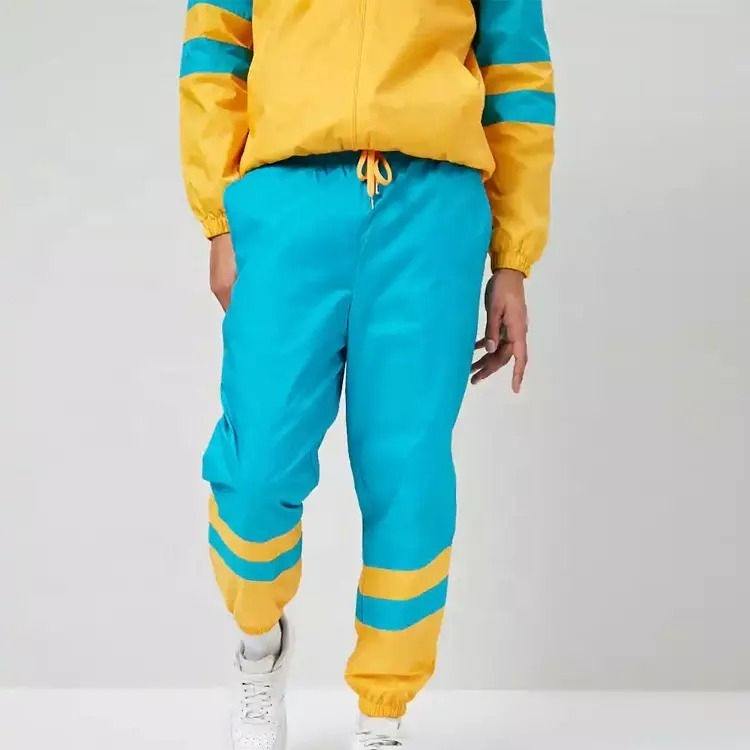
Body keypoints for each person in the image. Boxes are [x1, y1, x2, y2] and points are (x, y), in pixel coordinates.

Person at [179, 0, 555, 747]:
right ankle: (259, 647)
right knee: (256, 465)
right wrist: (219, 219)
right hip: (286, 202)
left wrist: (513, 258)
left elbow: (518, 72)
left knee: (408, 474)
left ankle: (382, 716)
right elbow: (215, 50)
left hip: (433, 209)